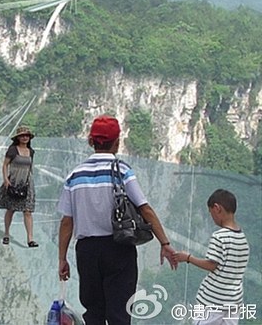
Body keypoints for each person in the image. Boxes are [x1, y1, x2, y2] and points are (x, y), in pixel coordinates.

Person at [57, 115, 177, 325]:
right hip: (118, 248)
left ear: (91, 141)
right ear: (117, 141)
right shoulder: (122, 171)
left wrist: (62, 258)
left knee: (93, 312)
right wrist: (164, 243)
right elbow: (144, 208)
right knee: (120, 313)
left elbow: (67, 222)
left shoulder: (74, 175)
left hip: (87, 251)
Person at [173, 189, 249, 325]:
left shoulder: (220, 237)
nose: (212, 217)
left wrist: (188, 257)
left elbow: (211, 264)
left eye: (211, 213)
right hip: (233, 301)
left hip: (212, 301)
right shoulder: (242, 238)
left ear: (217, 208)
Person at [0, 126, 38, 247]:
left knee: (27, 211)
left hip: (27, 183)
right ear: (18, 137)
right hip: (14, 181)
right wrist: (6, 179)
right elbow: (5, 165)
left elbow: (30, 167)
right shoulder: (13, 150)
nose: (25, 138)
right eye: (22, 135)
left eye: (27, 135)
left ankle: (30, 238)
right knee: (11, 209)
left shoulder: (31, 151)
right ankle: (6, 233)